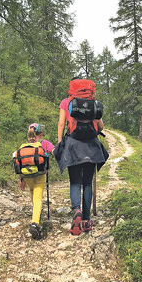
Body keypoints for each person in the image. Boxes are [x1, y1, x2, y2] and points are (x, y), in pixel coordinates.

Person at [56, 79, 109, 236]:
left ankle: (76, 210)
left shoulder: (66, 102)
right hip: (91, 146)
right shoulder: (92, 102)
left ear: (71, 89)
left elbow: (60, 124)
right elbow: (100, 127)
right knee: (87, 182)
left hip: (73, 145)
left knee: (75, 181)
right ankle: (86, 220)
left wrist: (61, 144)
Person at [17, 123, 55, 240]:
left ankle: (36, 215)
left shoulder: (24, 146)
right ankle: (35, 223)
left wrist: (21, 180)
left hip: (27, 177)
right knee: (38, 198)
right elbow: (55, 151)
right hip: (40, 176)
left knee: (33, 194)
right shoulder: (44, 143)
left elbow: (20, 162)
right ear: (41, 133)